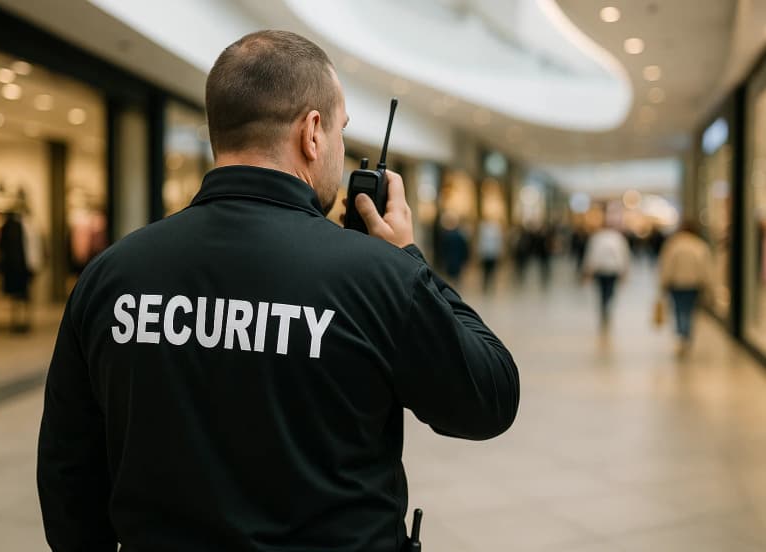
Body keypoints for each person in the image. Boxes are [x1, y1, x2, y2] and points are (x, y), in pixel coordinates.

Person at [37, 30, 519, 552]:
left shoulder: (111, 275)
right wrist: (408, 258)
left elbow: (68, 472)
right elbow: (490, 396)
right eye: (341, 131)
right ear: (312, 132)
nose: (338, 147)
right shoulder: (378, 278)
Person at [658, 220, 714, 352]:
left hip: (676, 284)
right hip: (693, 284)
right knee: (689, 310)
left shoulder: (673, 245)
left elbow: (667, 266)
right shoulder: (700, 246)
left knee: (678, 309)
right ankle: (686, 334)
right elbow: (705, 268)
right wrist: (708, 285)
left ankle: (682, 334)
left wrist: (663, 282)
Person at [582, 219, 632, 329]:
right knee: (610, 290)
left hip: (601, 269)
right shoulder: (618, 238)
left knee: (602, 291)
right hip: (612, 270)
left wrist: (588, 270)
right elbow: (623, 255)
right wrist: (624, 270)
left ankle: (604, 307)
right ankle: (606, 306)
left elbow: (591, 255)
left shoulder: (596, 237)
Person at [478, 219, 503, 291]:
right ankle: (486, 284)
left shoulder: (495, 230)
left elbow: (498, 242)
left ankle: (490, 284)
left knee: (491, 270)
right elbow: (481, 242)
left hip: (492, 254)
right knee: (485, 270)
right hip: (486, 254)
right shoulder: (483, 229)